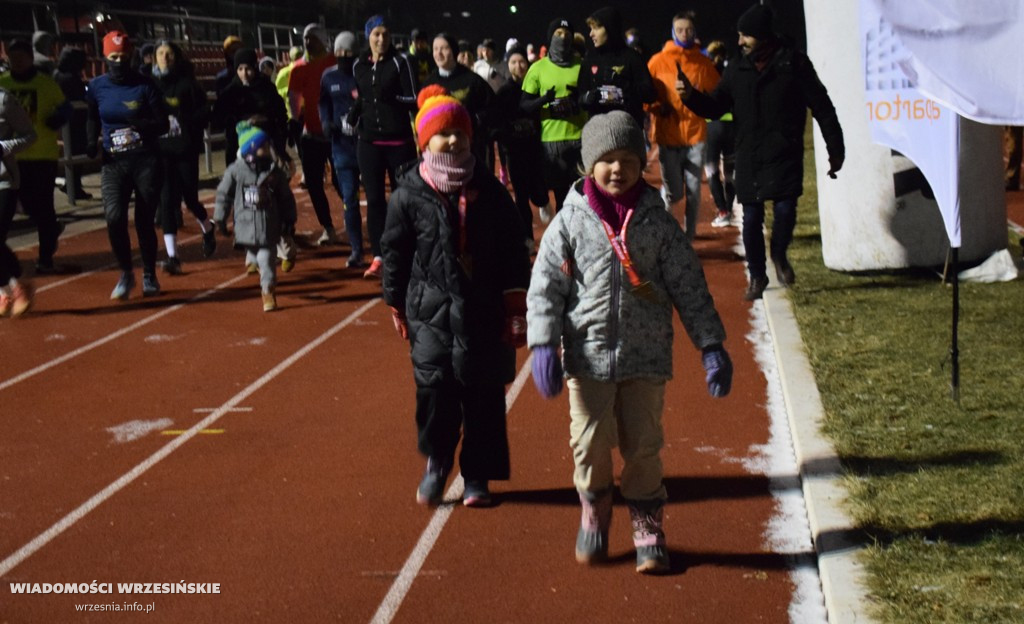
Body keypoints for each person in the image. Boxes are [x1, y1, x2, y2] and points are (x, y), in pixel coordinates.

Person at [526, 110, 732, 574]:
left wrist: (711, 344)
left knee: (643, 446)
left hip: (646, 357)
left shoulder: (658, 224)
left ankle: (647, 526)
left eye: (628, 159)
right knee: (590, 444)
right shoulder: (570, 223)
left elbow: (688, 285)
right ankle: (595, 512)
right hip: (588, 357)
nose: (618, 169)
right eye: (607, 160)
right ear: (588, 166)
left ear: (643, 163)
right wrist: (542, 342)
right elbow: (545, 286)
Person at [381, 86, 531, 508]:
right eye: (442, 134)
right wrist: (396, 301)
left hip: (484, 312)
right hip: (430, 313)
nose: (452, 141)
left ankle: (478, 475)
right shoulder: (410, 193)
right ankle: (437, 462)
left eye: (459, 134)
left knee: (484, 396)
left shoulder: (491, 191)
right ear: (424, 142)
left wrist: (516, 304)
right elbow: (395, 252)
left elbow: (513, 251)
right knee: (435, 393)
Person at [676, 4, 844, 299]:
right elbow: (716, 106)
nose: (739, 42)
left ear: (763, 36)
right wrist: (690, 97)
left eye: (745, 35)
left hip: (785, 153)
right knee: (751, 218)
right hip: (750, 154)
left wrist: (835, 148)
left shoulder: (794, 63)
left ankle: (779, 254)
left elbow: (822, 106)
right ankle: (757, 275)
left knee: (784, 210)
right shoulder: (737, 68)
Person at [86, 31, 169, 299]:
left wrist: (142, 126)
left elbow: (163, 124)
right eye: (113, 57)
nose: (119, 62)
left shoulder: (146, 86)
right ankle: (125, 273)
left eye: (123, 57)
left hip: (145, 161)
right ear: (105, 57)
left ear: (131, 55)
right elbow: (91, 117)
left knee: (144, 221)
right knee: (114, 217)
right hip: (114, 163)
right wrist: (90, 141)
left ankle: (148, 275)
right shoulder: (97, 87)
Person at [350, 14, 418, 279]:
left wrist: (393, 99)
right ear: (368, 36)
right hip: (369, 144)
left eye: (385, 34)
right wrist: (354, 112)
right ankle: (379, 255)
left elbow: (414, 99)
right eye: (376, 34)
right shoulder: (359, 65)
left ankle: (407, 251)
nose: (381, 39)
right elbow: (364, 97)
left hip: (399, 142)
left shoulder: (402, 62)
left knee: (403, 200)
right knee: (375, 200)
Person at [646, 11, 719, 240]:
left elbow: (718, 93)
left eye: (688, 29)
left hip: (695, 135)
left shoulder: (702, 62)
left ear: (694, 31)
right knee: (674, 193)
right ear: (672, 32)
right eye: (679, 30)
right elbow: (646, 95)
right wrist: (658, 106)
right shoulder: (658, 61)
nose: (684, 33)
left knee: (695, 191)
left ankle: (689, 236)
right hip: (669, 136)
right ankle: (662, 226)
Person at [0, 38, 70, 274]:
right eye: (13, 59)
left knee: (42, 209)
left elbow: (65, 107)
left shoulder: (46, 84)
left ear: (30, 58)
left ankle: (45, 258)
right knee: (12, 213)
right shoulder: (3, 83)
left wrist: (58, 118)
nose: (17, 63)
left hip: (41, 155)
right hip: (11, 160)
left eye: (21, 58)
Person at [214, 121, 296, 312]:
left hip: (269, 226)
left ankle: (268, 291)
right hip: (245, 226)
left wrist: (289, 220)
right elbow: (224, 195)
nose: (268, 149)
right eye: (264, 146)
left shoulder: (274, 172)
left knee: (266, 258)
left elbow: (285, 197)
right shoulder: (236, 171)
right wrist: (220, 218)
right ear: (251, 148)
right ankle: (252, 259)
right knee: (253, 251)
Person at [151, 40, 216, 275]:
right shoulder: (151, 85)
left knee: (190, 199)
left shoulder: (188, 85)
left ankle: (207, 228)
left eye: (169, 54)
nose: (165, 58)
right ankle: (172, 257)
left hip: (185, 151)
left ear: (176, 57)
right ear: (154, 57)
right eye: (160, 53)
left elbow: (204, 114)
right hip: (162, 152)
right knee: (167, 201)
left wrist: (185, 119)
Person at [520, 18, 586, 223]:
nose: (563, 38)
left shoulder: (581, 66)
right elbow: (524, 105)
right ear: (550, 37)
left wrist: (580, 100)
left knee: (583, 199)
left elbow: (592, 98)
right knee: (561, 199)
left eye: (567, 34)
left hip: (580, 139)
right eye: (558, 33)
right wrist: (544, 100)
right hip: (552, 142)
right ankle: (564, 245)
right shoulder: (537, 69)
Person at [288, 23, 340, 246]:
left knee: (341, 183)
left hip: (336, 134)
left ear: (322, 40)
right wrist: (294, 119)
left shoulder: (334, 63)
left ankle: (353, 219)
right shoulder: (298, 68)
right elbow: (294, 96)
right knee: (314, 184)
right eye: (306, 38)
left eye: (312, 38)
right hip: (311, 134)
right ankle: (328, 227)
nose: (308, 42)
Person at [493, 46, 547, 246]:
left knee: (540, 192)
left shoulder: (535, 88)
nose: (519, 65)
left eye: (522, 61)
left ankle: (542, 201)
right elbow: (498, 121)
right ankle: (527, 238)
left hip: (535, 148)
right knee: (521, 196)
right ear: (508, 65)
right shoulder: (504, 92)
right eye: (514, 62)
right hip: (515, 151)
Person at [320, 31, 363, 268]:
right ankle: (356, 249)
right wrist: (326, 121)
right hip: (342, 148)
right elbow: (323, 101)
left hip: (367, 146)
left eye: (348, 53)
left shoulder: (362, 74)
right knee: (350, 199)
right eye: (339, 52)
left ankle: (382, 247)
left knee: (378, 199)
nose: (343, 56)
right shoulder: (329, 77)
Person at [422, 34, 494, 170]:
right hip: (440, 153)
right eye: (435, 49)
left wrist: (476, 120)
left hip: (471, 148)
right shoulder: (429, 83)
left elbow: (491, 106)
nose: (439, 53)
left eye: (444, 48)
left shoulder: (472, 80)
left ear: (454, 51)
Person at [576, 7, 656, 127]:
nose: (591, 34)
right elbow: (580, 96)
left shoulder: (632, 57)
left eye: (596, 28)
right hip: (599, 133)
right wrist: (586, 98)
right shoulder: (589, 59)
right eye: (591, 29)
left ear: (610, 28)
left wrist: (623, 83)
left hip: (628, 131)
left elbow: (650, 94)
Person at [213, 48, 290, 169]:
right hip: (238, 148)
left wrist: (265, 120)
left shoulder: (267, 88)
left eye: (248, 68)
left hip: (265, 146)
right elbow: (218, 118)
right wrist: (242, 123)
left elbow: (280, 114)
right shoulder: (229, 92)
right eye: (240, 69)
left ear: (254, 67)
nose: (244, 73)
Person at [0, 87, 37, 317]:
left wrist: (4, 147)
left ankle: (16, 285)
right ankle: (8, 288)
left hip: (3, 181)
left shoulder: (4, 100)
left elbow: (30, 135)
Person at [704, 40, 736, 228]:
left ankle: (722, 211)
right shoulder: (732, 71)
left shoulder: (707, 71)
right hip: (732, 125)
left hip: (713, 126)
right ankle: (729, 209)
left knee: (712, 171)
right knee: (730, 173)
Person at [53, 46, 93, 200]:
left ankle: (71, 185)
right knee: (76, 153)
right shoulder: (69, 77)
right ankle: (73, 187)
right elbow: (81, 97)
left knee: (74, 154)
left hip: (68, 121)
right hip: (75, 122)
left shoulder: (57, 74)